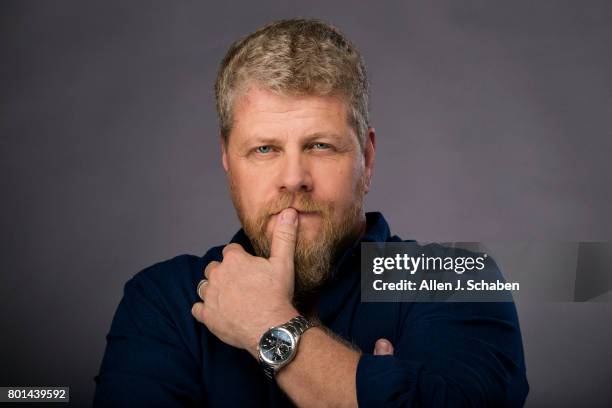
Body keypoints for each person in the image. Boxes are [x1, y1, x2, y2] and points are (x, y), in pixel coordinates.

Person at [93, 18, 529, 407]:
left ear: (367, 158)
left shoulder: (456, 279)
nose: (294, 178)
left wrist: (268, 324)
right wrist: (369, 391)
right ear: (227, 160)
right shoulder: (163, 301)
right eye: (264, 149)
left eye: (320, 146)